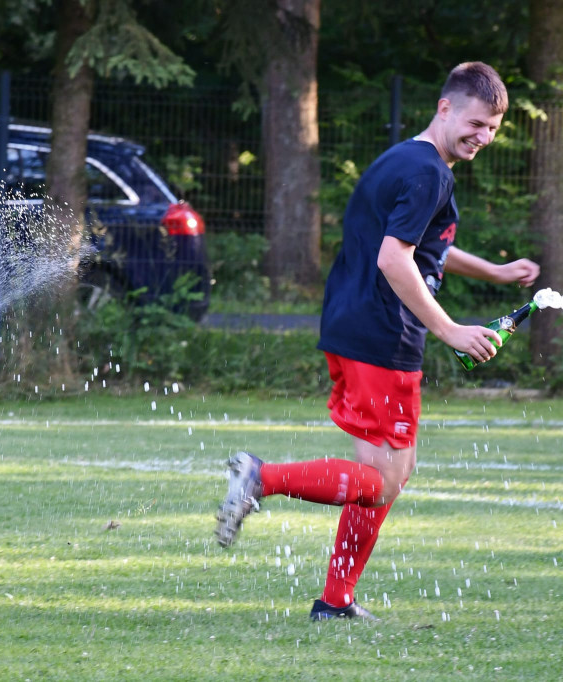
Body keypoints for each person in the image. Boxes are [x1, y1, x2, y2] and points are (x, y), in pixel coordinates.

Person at [214, 61, 540, 621]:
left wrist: (494, 271)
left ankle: (336, 600)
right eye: (476, 123)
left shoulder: (404, 159)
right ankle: (260, 478)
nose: (484, 137)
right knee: (385, 481)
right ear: (445, 108)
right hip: (383, 335)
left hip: (353, 325)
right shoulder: (430, 173)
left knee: (388, 474)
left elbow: (421, 245)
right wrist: (451, 330)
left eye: (492, 128)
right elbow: (395, 259)